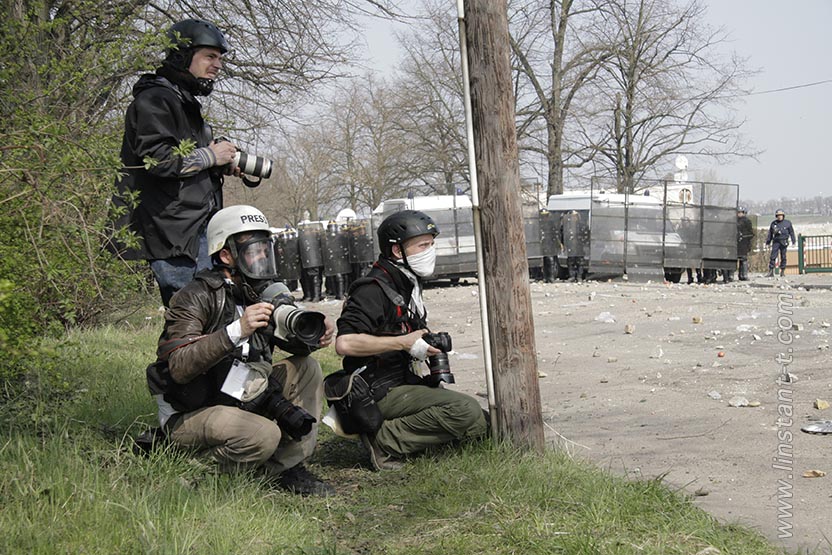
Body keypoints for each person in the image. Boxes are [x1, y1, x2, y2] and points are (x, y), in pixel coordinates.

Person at [145, 205, 335, 496]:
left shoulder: (255, 291)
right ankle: (192, 471)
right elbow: (179, 366)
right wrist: (237, 330)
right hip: (192, 409)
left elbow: (288, 342)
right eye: (253, 249)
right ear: (226, 254)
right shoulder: (194, 296)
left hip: (235, 395)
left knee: (308, 368)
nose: (262, 257)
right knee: (264, 434)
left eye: (265, 248)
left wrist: (313, 334)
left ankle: (286, 468)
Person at [334, 210, 487, 470]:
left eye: (432, 244)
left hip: (402, 379)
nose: (431, 251)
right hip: (378, 389)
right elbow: (345, 343)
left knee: (482, 423)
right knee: (465, 412)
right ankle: (383, 440)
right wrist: (403, 343)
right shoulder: (371, 288)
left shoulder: (406, 283)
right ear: (397, 251)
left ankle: (403, 434)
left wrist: (422, 344)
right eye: (423, 245)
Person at [111, 19, 241, 306]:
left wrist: (219, 164)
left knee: (208, 317)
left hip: (194, 231)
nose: (218, 65)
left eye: (219, 58)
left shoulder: (183, 102)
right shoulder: (155, 99)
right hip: (172, 234)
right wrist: (210, 156)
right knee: (188, 320)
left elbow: (183, 163)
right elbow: (157, 160)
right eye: (210, 56)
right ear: (182, 56)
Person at [559, 210, 589, 282]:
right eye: (572, 217)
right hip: (570, 246)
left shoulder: (582, 225)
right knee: (570, 261)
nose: (573, 218)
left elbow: (586, 235)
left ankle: (579, 276)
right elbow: (562, 234)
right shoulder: (567, 226)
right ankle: (572, 276)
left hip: (579, 246)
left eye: (574, 217)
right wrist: (563, 244)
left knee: (580, 262)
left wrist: (584, 243)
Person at [765, 209, 796, 277]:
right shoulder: (774, 223)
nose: (779, 217)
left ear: (783, 216)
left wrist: (793, 241)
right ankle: (771, 271)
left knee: (783, 256)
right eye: (778, 215)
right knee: (773, 256)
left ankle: (782, 271)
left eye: (781, 215)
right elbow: (770, 233)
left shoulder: (787, 223)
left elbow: (791, 232)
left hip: (784, 241)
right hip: (776, 241)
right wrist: (768, 242)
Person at [736, 207, 755, 281]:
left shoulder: (747, 221)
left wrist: (747, 240)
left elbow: (750, 233)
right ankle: (730, 276)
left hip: (744, 243)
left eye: (741, 212)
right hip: (735, 243)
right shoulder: (733, 221)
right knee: (733, 259)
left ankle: (744, 275)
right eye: (738, 212)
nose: (739, 214)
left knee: (743, 259)